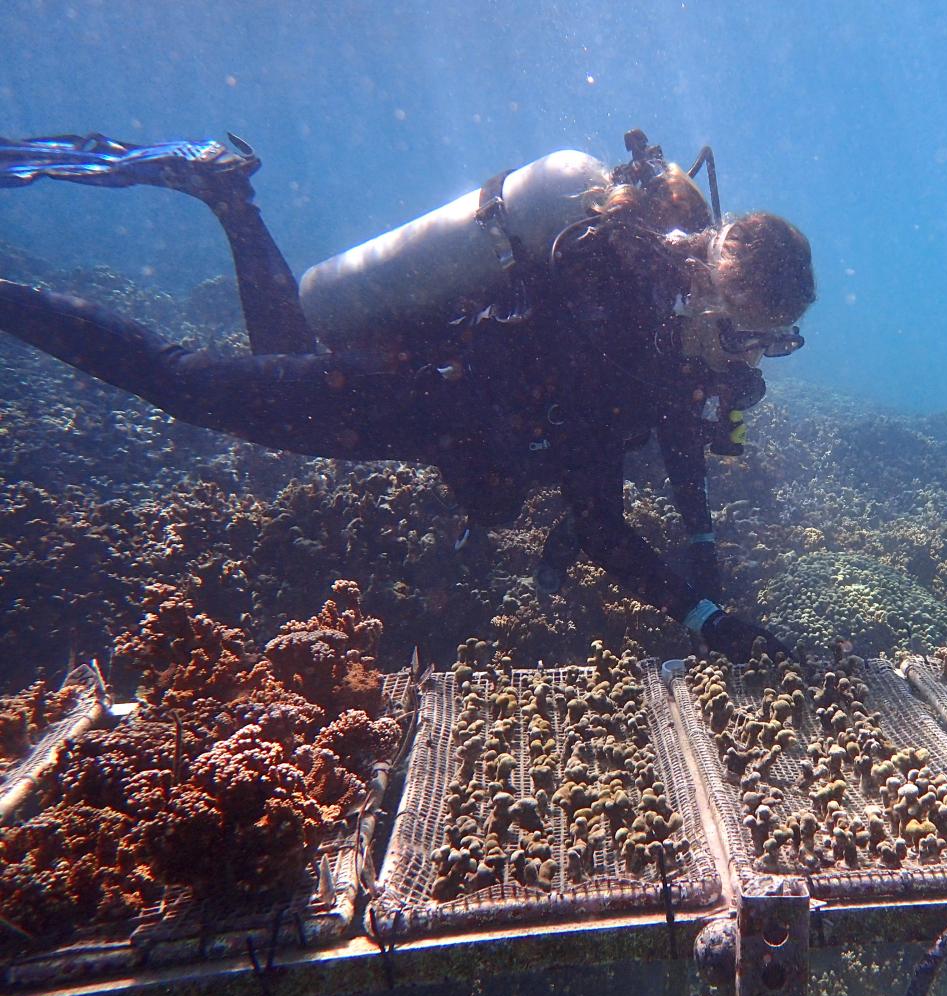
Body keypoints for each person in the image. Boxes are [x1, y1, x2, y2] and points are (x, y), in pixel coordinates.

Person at [0, 130, 815, 661]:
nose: (755, 360)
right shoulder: (615, 335)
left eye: (774, 344)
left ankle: (228, 193)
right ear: (713, 295)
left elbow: (671, 447)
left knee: (283, 349)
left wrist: (703, 564)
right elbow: (602, 524)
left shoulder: (652, 324)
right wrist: (707, 621)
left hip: (415, 390)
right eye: (755, 335)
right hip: (397, 398)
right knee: (181, 381)